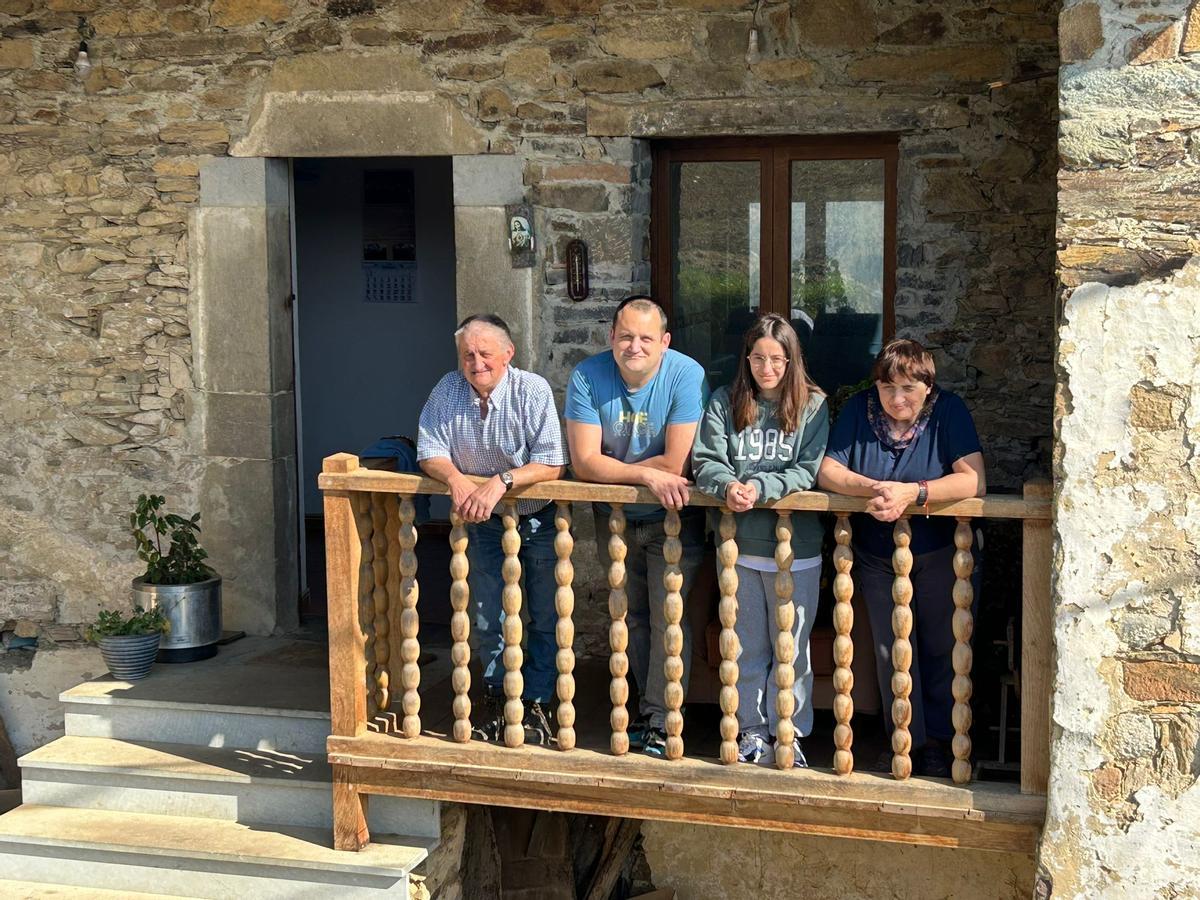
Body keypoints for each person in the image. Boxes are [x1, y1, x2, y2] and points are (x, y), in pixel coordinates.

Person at [818, 338, 986, 777]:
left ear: (928, 387)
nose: (897, 399)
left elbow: (973, 481)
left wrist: (914, 493)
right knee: (891, 649)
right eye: (888, 387)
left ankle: (941, 745)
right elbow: (828, 470)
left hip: (942, 554)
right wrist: (872, 488)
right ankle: (902, 739)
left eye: (909, 388)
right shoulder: (858, 411)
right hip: (876, 556)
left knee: (942, 649)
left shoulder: (949, 412)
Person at [564, 296, 707, 757]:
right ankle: (640, 714)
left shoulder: (686, 374)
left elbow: (677, 461)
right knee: (630, 617)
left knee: (670, 620)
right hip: (615, 519)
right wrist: (645, 474)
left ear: (664, 342)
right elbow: (584, 463)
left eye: (646, 338)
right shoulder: (588, 375)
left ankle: (663, 719)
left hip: (675, 519)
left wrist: (633, 468)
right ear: (611, 337)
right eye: (626, 336)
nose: (635, 346)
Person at [417, 314, 568, 746]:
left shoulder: (532, 389)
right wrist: (457, 480)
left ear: (508, 353)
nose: (476, 362)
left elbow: (552, 462)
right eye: (468, 354)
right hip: (480, 523)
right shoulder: (447, 389)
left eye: (485, 353)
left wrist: (500, 481)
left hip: (535, 518)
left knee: (540, 613)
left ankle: (537, 704)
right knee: (488, 617)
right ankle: (500, 702)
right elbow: (429, 449)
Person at [692, 314, 829, 767]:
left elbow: (808, 469)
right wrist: (727, 485)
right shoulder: (724, 402)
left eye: (776, 359)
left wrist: (761, 489)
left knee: (792, 650)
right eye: (758, 358)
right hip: (739, 547)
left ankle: (788, 732)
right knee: (746, 645)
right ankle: (752, 732)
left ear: (791, 360)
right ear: (745, 359)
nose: (766, 368)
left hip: (796, 549)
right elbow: (707, 460)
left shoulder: (812, 405)